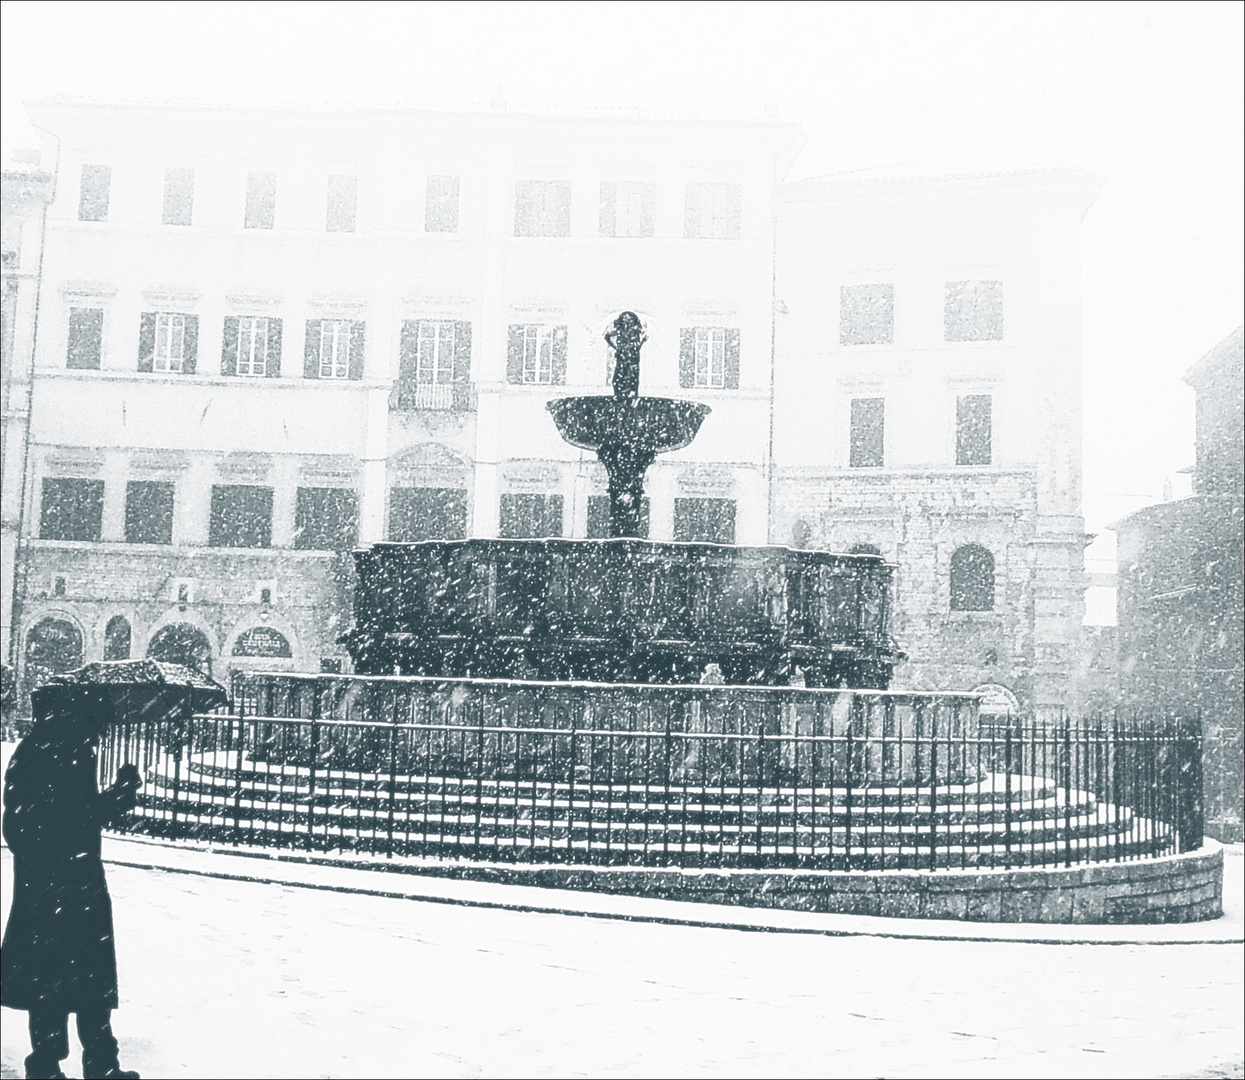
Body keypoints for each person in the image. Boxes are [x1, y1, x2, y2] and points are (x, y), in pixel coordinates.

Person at [1, 686, 142, 1080]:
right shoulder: (66, 751)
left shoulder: (39, 748)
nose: (100, 732)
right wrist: (119, 795)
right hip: (71, 885)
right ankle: (94, 1064)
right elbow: (74, 816)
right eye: (97, 723)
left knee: (52, 981)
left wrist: (110, 798)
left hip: (46, 888)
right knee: (85, 980)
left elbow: (30, 822)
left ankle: (52, 1063)